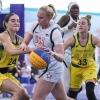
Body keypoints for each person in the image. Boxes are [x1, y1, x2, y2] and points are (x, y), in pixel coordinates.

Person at [20, 5, 68, 100]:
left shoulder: (55, 32)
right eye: (37, 16)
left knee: (37, 97)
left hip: (53, 68)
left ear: (49, 18)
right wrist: (23, 45)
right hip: (43, 66)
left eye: (41, 18)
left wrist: (51, 52)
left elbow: (61, 56)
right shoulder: (35, 25)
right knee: (62, 98)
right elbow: (25, 42)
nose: (38, 19)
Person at [64, 16, 97, 100]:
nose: (80, 25)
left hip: (89, 68)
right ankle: (79, 88)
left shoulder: (93, 39)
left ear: (89, 27)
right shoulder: (72, 39)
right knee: (71, 95)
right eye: (79, 23)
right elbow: (59, 50)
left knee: (89, 91)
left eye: (83, 23)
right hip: (75, 68)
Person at [0, 13, 30, 100]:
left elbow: (31, 52)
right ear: (6, 23)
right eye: (13, 20)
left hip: (6, 74)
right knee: (19, 92)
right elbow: (11, 51)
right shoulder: (3, 36)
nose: (16, 22)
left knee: (25, 96)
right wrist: (30, 49)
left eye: (18, 21)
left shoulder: (20, 39)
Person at [57, 2, 80, 92]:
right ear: (69, 10)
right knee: (67, 81)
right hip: (66, 52)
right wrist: (68, 27)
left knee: (78, 83)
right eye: (73, 8)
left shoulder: (80, 20)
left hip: (77, 54)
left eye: (77, 8)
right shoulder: (66, 18)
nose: (76, 10)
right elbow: (55, 30)